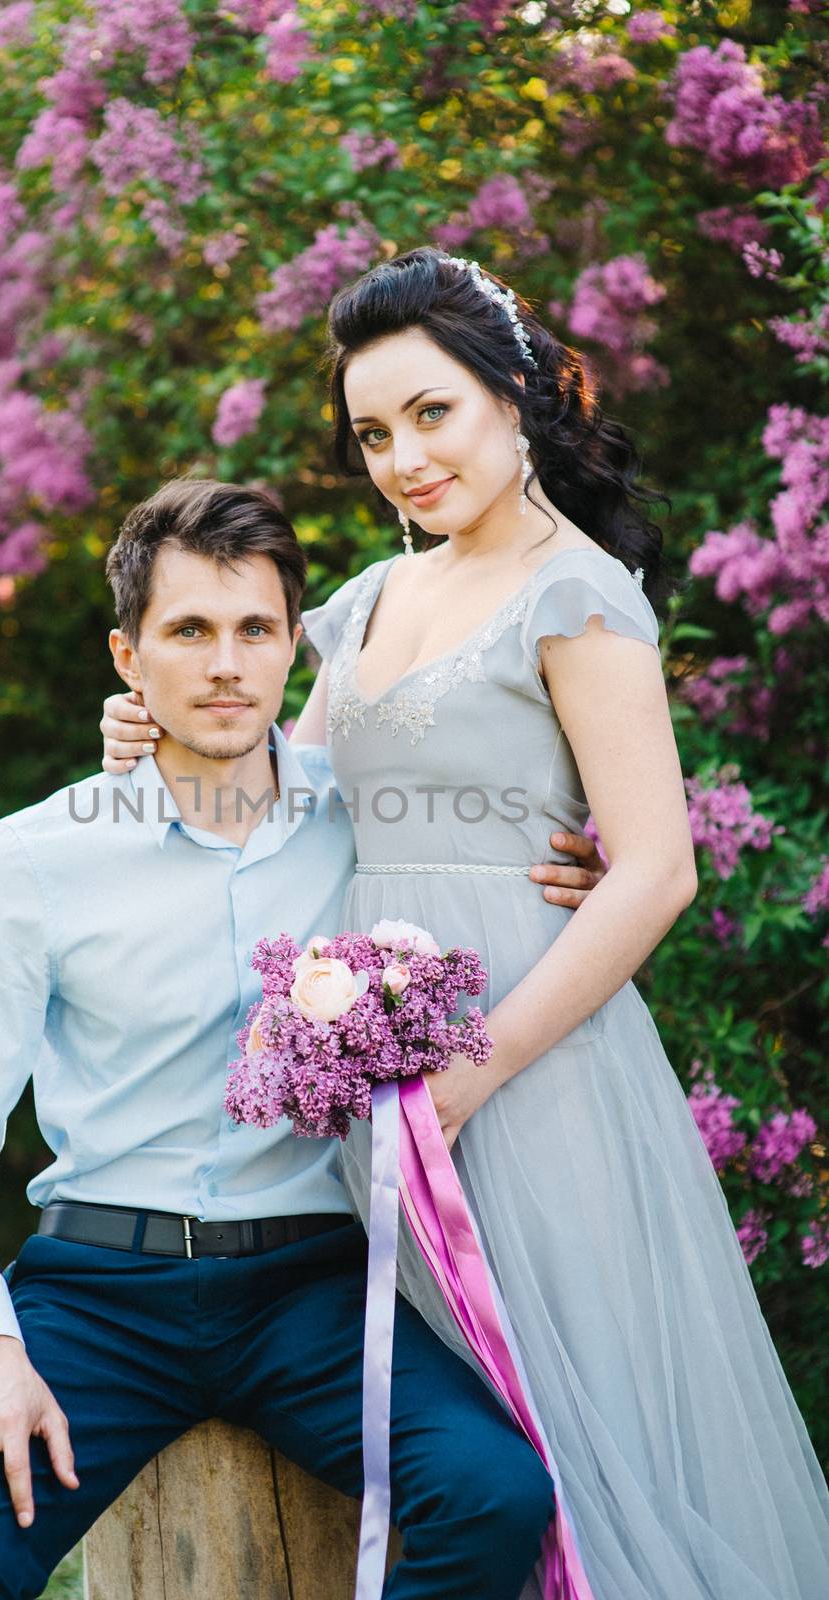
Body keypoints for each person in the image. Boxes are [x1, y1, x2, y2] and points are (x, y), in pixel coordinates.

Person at [99, 249, 829, 1599]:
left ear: (516, 394)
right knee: (422, 1429)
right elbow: (281, 811)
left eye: (431, 413)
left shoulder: (578, 595)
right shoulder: (375, 598)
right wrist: (150, 733)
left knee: (568, 1419)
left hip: (529, 1073)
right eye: (374, 432)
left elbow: (656, 869)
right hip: (367, 1068)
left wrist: (469, 1075)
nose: (402, 458)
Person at [0, 476, 583, 1600]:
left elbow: (499, 876)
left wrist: (572, 871)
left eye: (255, 628)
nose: (225, 663)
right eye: (189, 631)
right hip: (99, 1290)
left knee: (494, 1492)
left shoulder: (368, 821)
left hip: (312, 1288)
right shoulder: (35, 856)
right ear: (129, 656)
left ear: (293, 646)